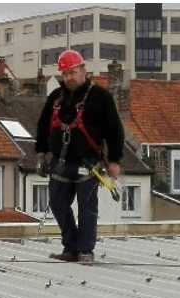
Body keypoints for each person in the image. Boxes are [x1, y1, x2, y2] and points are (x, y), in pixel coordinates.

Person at [34, 50, 124, 264]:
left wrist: (114, 160)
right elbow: (43, 126)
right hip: (61, 163)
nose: (69, 78)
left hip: (87, 164)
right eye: (65, 74)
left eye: (72, 72)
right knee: (57, 203)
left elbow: (115, 130)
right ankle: (71, 247)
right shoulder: (56, 98)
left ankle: (85, 250)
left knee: (87, 208)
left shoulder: (100, 97)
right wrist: (40, 154)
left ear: (83, 71)